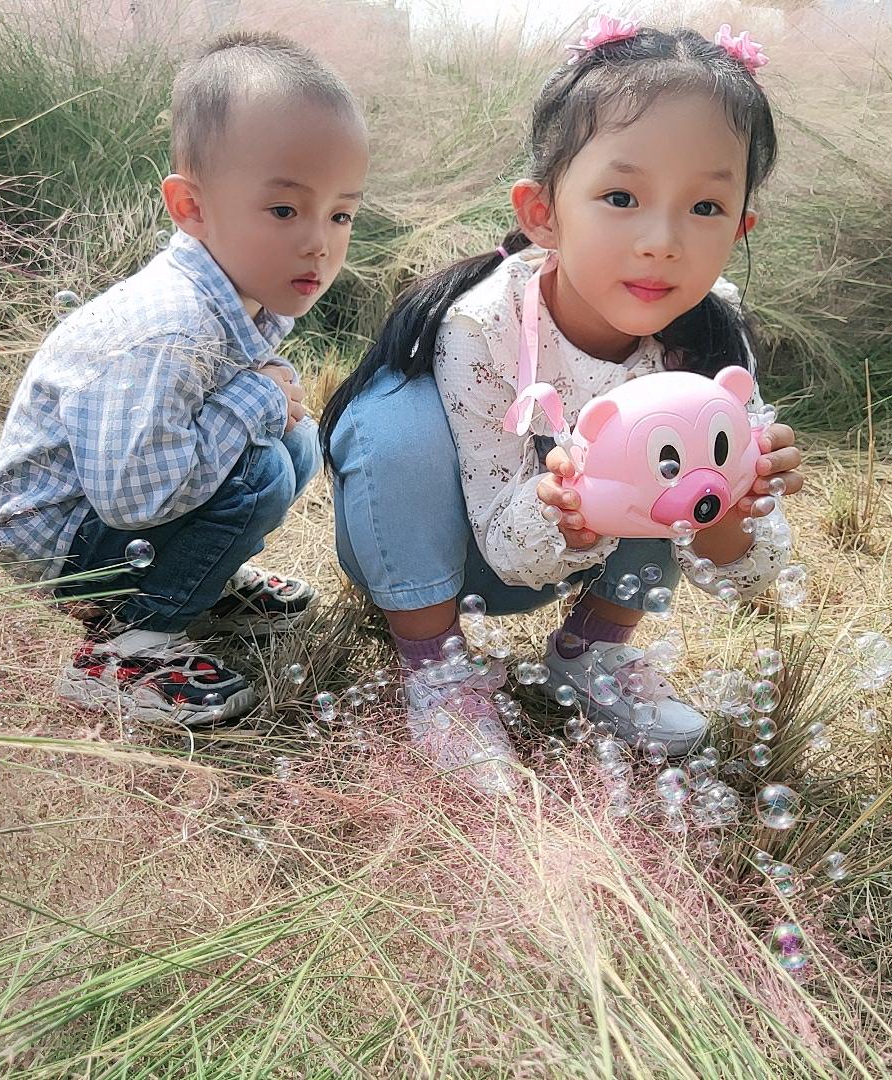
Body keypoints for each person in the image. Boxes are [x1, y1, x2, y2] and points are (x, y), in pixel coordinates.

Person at [319, 18, 804, 792]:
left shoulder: (713, 335)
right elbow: (505, 548)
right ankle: (436, 671)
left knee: (672, 435)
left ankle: (592, 653)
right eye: (621, 195)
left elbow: (746, 580)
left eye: (706, 208)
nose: (661, 240)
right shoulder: (483, 327)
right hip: (455, 544)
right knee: (391, 425)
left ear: (743, 224)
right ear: (542, 212)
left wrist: (735, 509)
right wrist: (569, 509)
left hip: (576, 552)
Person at [0, 31, 369, 726]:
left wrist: (261, 398)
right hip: (64, 540)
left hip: (104, 514)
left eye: (340, 213)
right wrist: (254, 395)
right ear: (191, 207)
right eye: (284, 210)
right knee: (259, 471)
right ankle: (126, 646)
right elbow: (136, 495)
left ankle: (189, 579)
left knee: (292, 443)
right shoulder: (171, 328)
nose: (319, 241)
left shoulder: (237, 289)